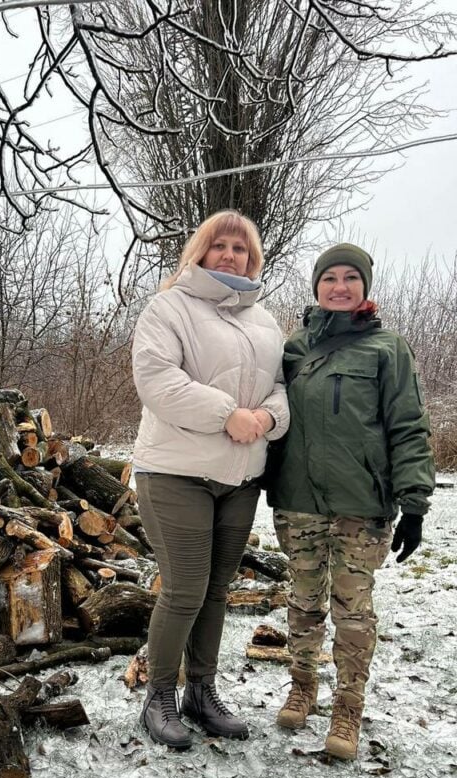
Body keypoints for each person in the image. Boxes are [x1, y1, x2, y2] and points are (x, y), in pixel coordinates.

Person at [267, 243, 435, 760]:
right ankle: (302, 685)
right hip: (297, 501)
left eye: (350, 278)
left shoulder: (387, 349)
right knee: (302, 602)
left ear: (364, 286)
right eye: (330, 278)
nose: (340, 286)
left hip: (362, 505)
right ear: (316, 287)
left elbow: (408, 425)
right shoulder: (292, 348)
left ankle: (347, 709)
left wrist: (415, 499)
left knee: (353, 611)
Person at [131, 210, 290, 749]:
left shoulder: (265, 322)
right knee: (185, 589)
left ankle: (202, 691)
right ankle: (159, 698)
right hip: (176, 472)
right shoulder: (169, 305)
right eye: (218, 245)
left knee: (217, 591)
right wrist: (228, 413)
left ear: (253, 259)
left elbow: (281, 389)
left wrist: (267, 418)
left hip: (240, 479)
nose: (229, 255)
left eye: (240, 249)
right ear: (199, 251)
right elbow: (157, 380)